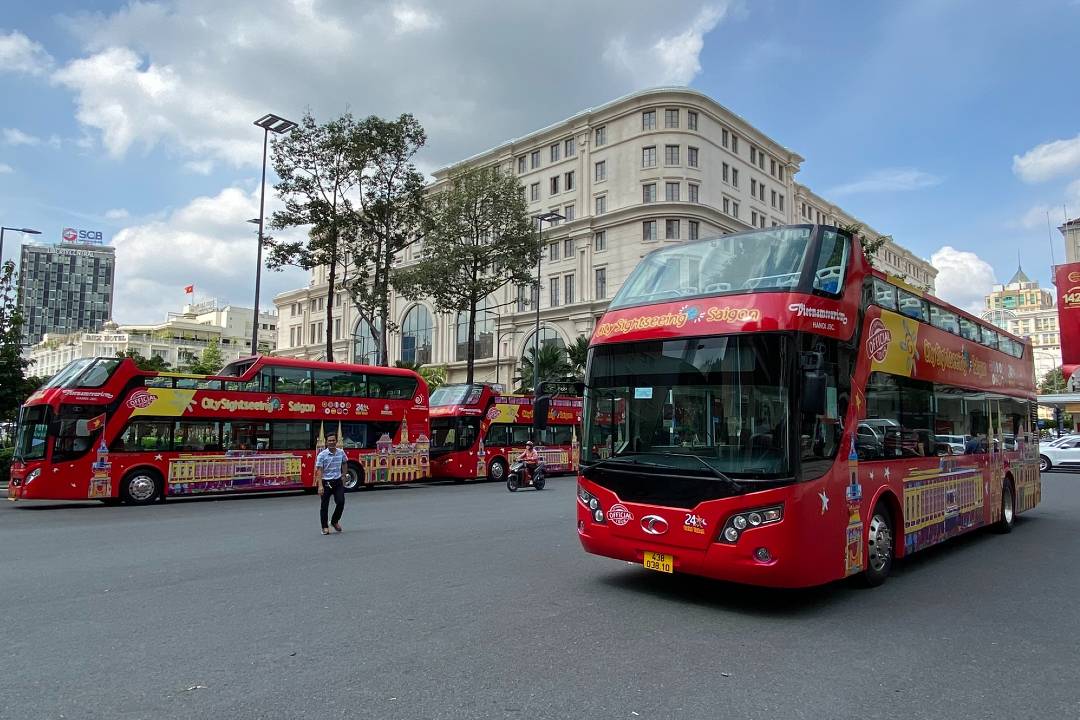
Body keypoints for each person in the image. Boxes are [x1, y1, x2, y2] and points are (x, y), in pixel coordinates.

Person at [315, 433, 348, 535]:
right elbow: (319, 470)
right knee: (324, 505)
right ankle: (324, 527)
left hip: (337, 481)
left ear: (336, 441)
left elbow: (344, 462)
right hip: (326, 482)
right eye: (329, 440)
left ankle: (334, 521)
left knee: (341, 502)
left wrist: (344, 475)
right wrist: (320, 485)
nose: (332, 442)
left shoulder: (341, 452)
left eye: (333, 440)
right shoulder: (322, 455)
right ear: (326, 442)